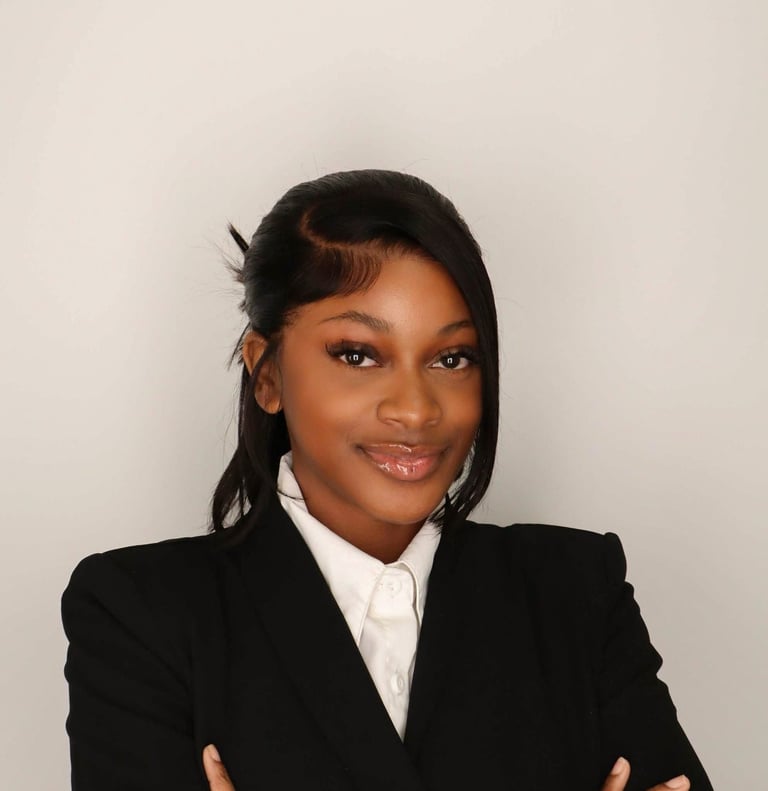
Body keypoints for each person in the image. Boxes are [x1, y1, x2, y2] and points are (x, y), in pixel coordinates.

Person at [62, 170, 713, 791]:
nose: (416, 409)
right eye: (358, 355)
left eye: (451, 358)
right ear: (267, 373)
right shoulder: (140, 615)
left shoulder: (576, 591)